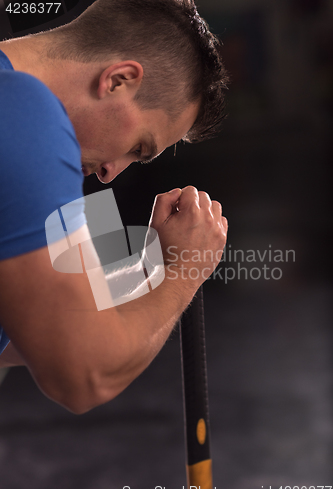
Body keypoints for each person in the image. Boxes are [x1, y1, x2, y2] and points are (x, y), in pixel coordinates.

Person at [0, 0, 228, 414]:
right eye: (138, 147)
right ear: (119, 80)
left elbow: (30, 329)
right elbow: (85, 375)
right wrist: (185, 271)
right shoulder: (23, 115)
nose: (110, 173)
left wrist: (150, 266)